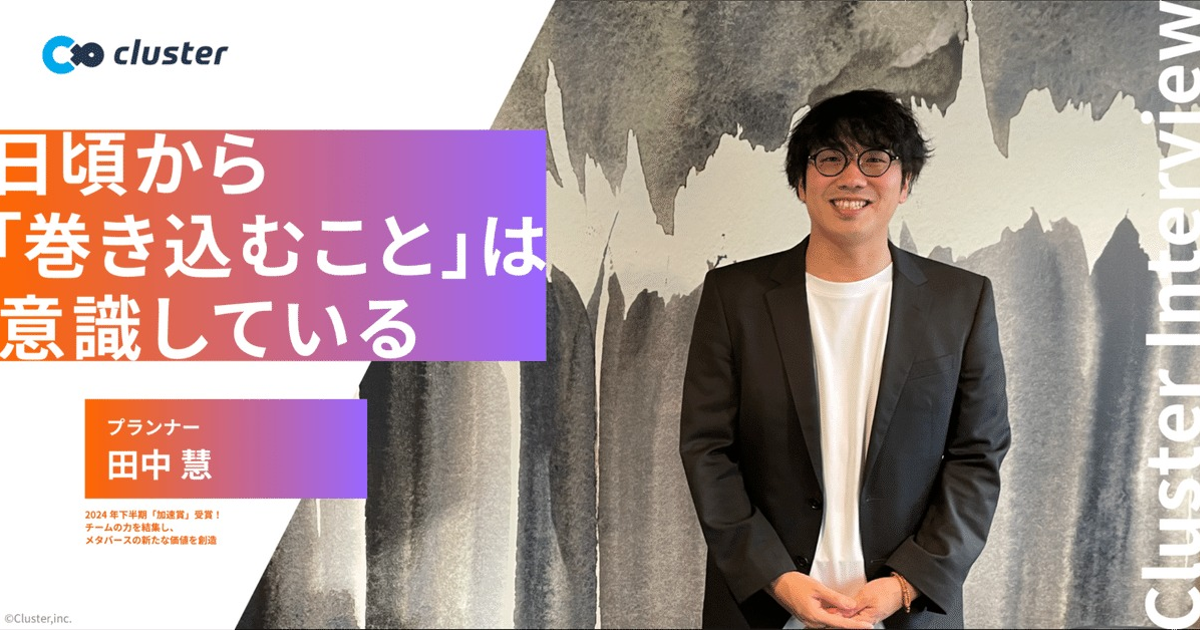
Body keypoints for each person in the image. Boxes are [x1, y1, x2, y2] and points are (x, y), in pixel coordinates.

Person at [679, 89, 1010, 629]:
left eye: (875, 159)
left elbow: (978, 454)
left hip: (906, 610)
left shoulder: (961, 301)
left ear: (905, 183)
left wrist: (906, 584)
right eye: (830, 158)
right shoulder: (734, 297)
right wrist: (776, 579)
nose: (852, 178)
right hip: (765, 607)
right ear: (801, 182)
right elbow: (708, 450)